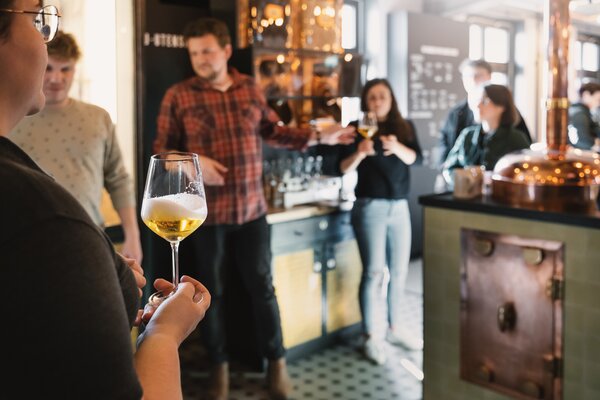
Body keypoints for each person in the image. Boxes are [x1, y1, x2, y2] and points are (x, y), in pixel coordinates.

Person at [0, 1, 211, 399]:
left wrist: (105, 256)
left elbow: (119, 177)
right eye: (39, 19)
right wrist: (164, 335)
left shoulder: (95, 119)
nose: (50, 63)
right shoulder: (48, 222)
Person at [153, 17, 354, 400]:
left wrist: (316, 134)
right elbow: (161, 153)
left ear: (227, 51)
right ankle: (219, 369)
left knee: (263, 288)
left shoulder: (250, 88)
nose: (201, 59)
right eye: (194, 53)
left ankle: (276, 365)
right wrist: (196, 163)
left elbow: (274, 132)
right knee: (210, 294)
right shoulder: (178, 95)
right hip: (204, 216)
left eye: (208, 51)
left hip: (252, 210)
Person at [9, 30, 143, 263]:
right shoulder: (11, 117)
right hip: (25, 241)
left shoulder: (98, 117)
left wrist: (133, 235)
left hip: (91, 239)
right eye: (49, 68)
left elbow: (118, 178)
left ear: (75, 70)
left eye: (65, 69)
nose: (56, 78)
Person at [338, 78, 423, 365]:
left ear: (391, 98)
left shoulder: (404, 127)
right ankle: (370, 336)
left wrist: (397, 146)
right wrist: (360, 153)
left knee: (399, 272)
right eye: (371, 97)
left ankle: (394, 328)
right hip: (369, 207)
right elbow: (341, 167)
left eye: (382, 96)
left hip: (399, 208)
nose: (377, 101)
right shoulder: (355, 127)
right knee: (374, 273)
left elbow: (415, 159)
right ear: (365, 102)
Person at [439, 59, 532, 164]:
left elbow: (525, 153)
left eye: (478, 75)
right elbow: (445, 145)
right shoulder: (456, 113)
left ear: (489, 76)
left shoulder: (509, 116)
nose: (473, 80)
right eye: (468, 76)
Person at [442, 83, 531, 187]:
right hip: (466, 198)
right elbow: (449, 168)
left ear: (501, 106)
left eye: (485, 101)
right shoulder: (467, 135)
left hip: (500, 199)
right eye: (477, 100)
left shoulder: (516, 138)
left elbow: (526, 173)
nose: (478, 105)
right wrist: (466, 181)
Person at [568, 81, 600, 150]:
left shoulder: (584, 112)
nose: (598, 104)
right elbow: (583, 141)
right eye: (597, 100)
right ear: (586, 95)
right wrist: (595, 142)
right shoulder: (580, 114)